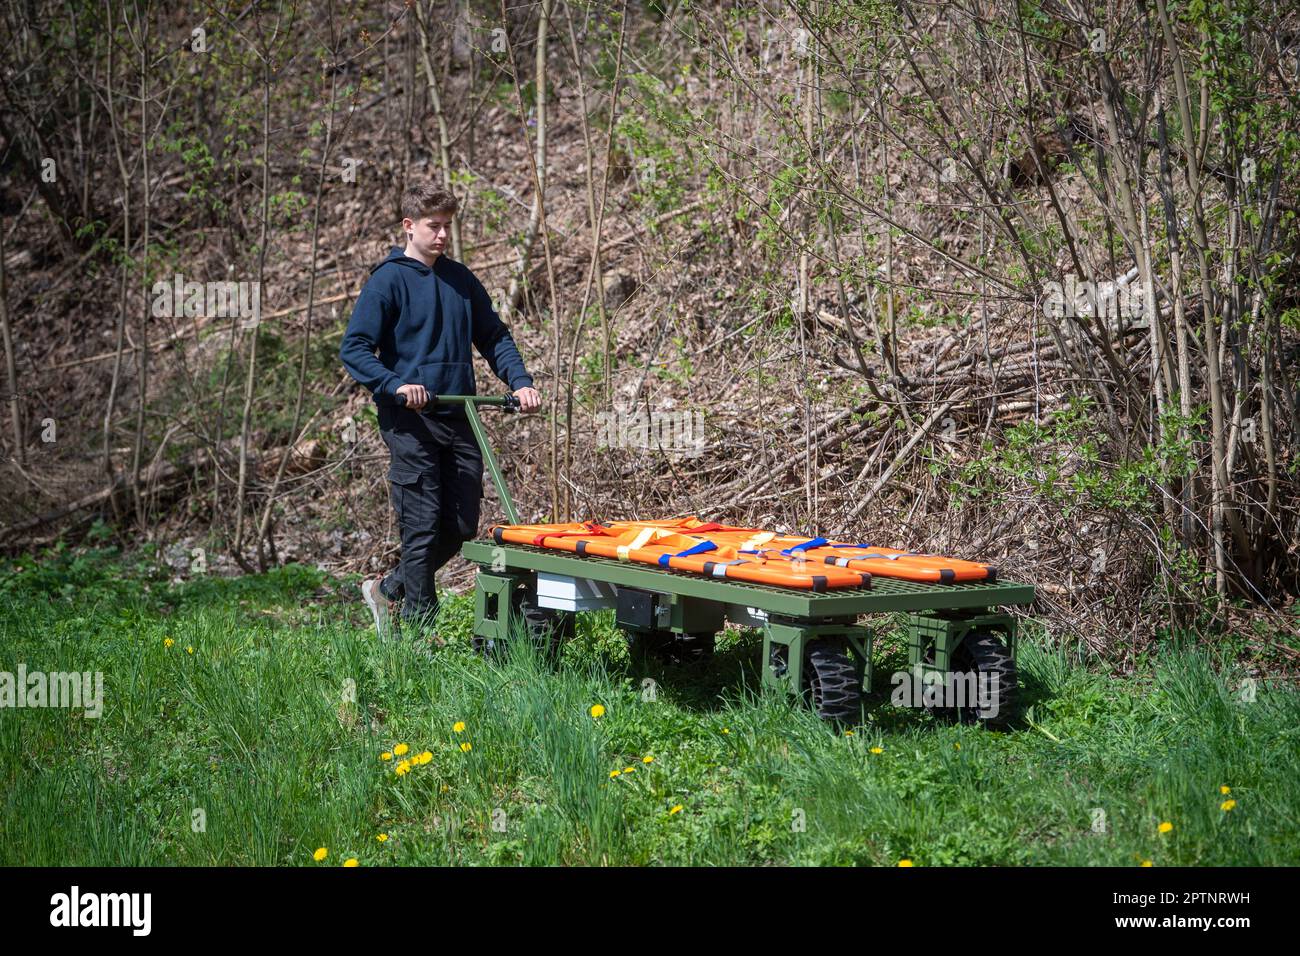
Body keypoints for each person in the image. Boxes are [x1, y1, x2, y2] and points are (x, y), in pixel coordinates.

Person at [339, 183, 541, 641]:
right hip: (411, 422)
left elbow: (494, 337)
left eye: (448, 226)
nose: (443, 235)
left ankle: (388, 589)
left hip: (458, 415)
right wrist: (394, 385)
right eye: (434, 226)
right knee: (422, 523)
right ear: (409, 226)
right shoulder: (388, 280)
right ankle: (417, 633)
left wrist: (520, 383)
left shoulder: (461, 281)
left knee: (461, 525)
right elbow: (354, 349)